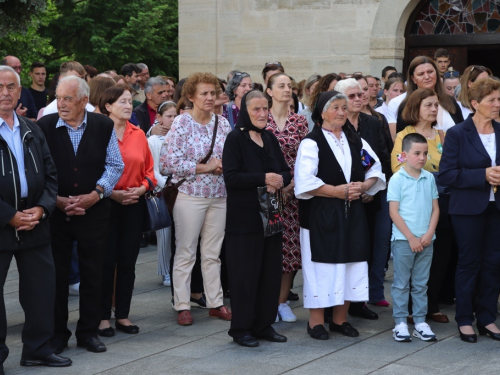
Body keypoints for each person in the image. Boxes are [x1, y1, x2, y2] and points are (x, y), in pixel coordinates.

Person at [37, 75, 124, 354]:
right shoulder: (45, 126)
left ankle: (88, 333)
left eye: (67, 99)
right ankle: (57, 335)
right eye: (58, 97)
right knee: (56, 276)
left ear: (84, 101)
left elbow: (114, 164)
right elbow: (37, 169)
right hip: (55, 214)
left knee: (93, 273)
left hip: (94, 212)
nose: (60, 104)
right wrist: (56, 200)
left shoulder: (102, 125)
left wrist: (96, 194)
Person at [295, 90, 386, 340]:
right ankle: (315, 322)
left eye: (344, 108)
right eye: (335, 107)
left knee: (350, 264)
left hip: (352, 212)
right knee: (321, 267)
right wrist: (335, 191)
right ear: (322, 112)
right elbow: (304, 181)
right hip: (321, 214)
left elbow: (375, 166)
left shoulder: (354, 140)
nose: (341, 112)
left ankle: (340, 319)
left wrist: (366, 186)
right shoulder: (312, 142)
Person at [0, 66, 72, 372]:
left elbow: (51, 174)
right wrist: (8, 215)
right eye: (0, 86)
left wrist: (42, 209)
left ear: (20, 91)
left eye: (11, 87)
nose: (5, 93)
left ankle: (38, 349)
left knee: (42, 291)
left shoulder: (32, 128)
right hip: (3, 222)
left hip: (35, 220)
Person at [162, 72, 232, 326]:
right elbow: (170, 162)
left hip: (219, 195)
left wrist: (222, 165)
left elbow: (230, 156)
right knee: (186, 251)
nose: (210, 98)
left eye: (213, 93)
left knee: (213, 253)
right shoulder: (181, 122)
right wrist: (207, 167)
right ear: (190, 96)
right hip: (190, 195)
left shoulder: (222, 123)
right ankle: (182, 304)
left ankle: (215, 302)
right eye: (204, 93)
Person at [223, 90, 291, 347]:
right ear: (245, 111)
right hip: (244, 220)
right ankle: (241, 329)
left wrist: (279, 179)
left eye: (266, 109)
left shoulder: (270, 138)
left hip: (271, 216)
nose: (262, 114)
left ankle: (264, 325)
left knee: (269, 273)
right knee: (244, 276)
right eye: (256, 110)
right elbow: (231, 177)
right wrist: (264, 178)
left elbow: (284, 170)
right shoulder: (235, 140)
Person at [439, 78, 500, 343]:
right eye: (492, 101)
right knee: (468, 262)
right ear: (475, 104)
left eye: (499, 100)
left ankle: (487, 317)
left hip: (496, 208)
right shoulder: (457, 133)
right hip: (467, 209)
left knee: (493, 263)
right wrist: (483, 175)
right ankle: (464, 319)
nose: (497, 105)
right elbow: (447, 175)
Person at [391, 88, 454, 324]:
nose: (434, 109)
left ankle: (431, 305)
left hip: (440, 202)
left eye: (436, 105)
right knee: (409, 259)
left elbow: (448, 168)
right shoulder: (404, 135)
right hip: (412, 204)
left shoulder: (441, 135)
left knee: (439, 255)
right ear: (415, 107)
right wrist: (430, 174)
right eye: (428, 105)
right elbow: (398, 169)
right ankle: (407, 309)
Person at [97, 85, 156, 337]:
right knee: (106, 262)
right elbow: (90, 172)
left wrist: (142, 189)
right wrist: (112, 192)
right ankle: (101, 317)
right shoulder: (98, 134)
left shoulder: (139, 133)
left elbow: (150, 172)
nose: (128, 105)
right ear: (108, 106)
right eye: (122, 101)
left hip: (134, 204)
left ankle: (122, 314)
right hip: (105, 204)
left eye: (130, 101)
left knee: (128, 263)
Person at [336, 78, 392, 316]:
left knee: (368, 248)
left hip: (371, 195)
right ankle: (337, 303)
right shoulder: (332, 124)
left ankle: (359, 302)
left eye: (361, 94)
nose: (359, 99)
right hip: (342, 196)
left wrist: (370, 188)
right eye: (352, 96)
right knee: (344, 249)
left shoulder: (373, 121)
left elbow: (383, 157)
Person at [265, 73, 308, 323]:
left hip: (293, 193)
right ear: (269, 91)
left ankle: (281, 302)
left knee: (291, 251)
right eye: (280, 86)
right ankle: (267, 301)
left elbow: (305, 157)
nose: (286, 90)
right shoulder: (262, 118)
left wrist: (292, 187)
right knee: (269, 248)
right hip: (267, 193)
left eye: (289, 86)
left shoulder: (299, 121)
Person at [388, 133, 440, 342]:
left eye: (425, 153)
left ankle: (419, 321)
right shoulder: (397, 179)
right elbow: (394, 211)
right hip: (404, 241)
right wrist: (410, 237)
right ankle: (400, 322)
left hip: (427, 240)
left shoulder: (429, 178)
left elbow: (435, 209)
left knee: (421, 283)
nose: (422, 157)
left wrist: (428, 234)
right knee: (401, 282)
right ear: (404, 155)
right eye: (417, 153)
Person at [387, 56, 464, 140]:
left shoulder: (450, 101)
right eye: (421, 74)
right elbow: (403, 141)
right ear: (413, 78)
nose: (427, 77)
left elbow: (462, 132)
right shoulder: (406, 106)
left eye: (430, 72)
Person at [148, 101, 177, 286]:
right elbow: (151, 168)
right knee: (164, 231)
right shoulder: (152, 141)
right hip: (162, 189)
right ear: (159, 118)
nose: (173, 120)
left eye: (176, 116)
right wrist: (166, 183)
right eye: (169, 116)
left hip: (180, 188)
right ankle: (165, 271)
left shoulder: (180, 136)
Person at [1, 56, 38, 121]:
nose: (18, 71)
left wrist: (19, 119)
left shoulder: (26, 92)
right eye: (14, 68)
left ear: (19, 91)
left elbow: (36, 118)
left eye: (11, 88)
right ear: (5, 68)